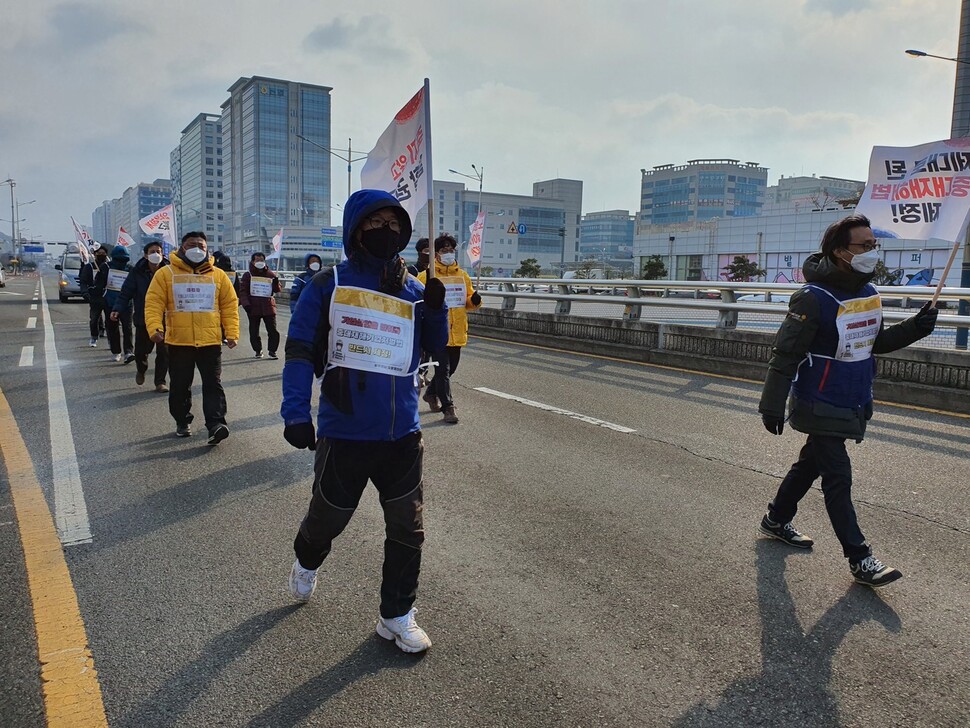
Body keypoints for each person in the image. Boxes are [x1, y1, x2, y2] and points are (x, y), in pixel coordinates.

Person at [280, 189, 449, 654]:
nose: (387, 231)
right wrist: (296, 412)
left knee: (408, 528)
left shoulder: (415, 289)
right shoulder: (328, 286)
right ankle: (306, 559)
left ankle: (395, 615)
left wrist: (436, 309)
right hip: (345, 434)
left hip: (402, 436)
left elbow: (439, 350)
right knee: (327, 521)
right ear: (357, 230)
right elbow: (299, 353)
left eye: (394, 224)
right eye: (375, 223)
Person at [758, 214, 938, 589]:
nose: (873, 251)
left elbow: (874, 343)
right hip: (818, 398)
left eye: (874, 244)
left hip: (853, 396)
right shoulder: (813, 297)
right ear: (840, 251)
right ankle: (860, 559)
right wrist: (771, 404)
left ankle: (776, 520)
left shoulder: (869, 293)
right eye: (865, 245)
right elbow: (786, 353)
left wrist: (916, 328)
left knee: (811, 463)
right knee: (837, 476)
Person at [144, 231, 239, 444]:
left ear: (207, 250)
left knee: (213, 384)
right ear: (182, 248)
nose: (197, 249)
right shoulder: (165, 274)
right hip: (179, 341)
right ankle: (182, 420)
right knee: (179, 385)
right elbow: (153, 303)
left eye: (201, 246)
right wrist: (155, 328)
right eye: (191, 245)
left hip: (210, 341)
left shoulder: (219, 275)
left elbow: (229, 306)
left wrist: (231, 333)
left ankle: (216, 424)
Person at [417, 234, 482, 424]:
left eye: (451, 250)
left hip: (457, 330)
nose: (448, 253)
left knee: (450, 369)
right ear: (436, 254)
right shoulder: (427, 276)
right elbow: (419, 303)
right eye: (444, 250)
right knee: (442, 371)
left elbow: (468, 302)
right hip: (437, 331)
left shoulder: (462, 276)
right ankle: (448, 407)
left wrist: (475, 301)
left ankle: (430, 394)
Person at [112, 241, 169, 392]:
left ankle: (160, 382)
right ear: (146, 255)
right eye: (152, 251)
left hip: (166, 319)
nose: (156, 254)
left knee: (164, 352)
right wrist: (117, 308)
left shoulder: (170, 271)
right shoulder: (137, 272)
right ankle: (141, 369)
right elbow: (126, 292)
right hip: (144, 318)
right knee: (141, 352)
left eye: (158, 251)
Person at [238, 252, 282, 359]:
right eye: (257, 260)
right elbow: (243, 291)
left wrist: (276, 282)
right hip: (253, 307)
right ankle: (258, 350)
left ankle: (272, 351)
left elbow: (277, 290)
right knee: (254, 331)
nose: (260, 262)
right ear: (252, 262)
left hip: (268, 306)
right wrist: (246, 304)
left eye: (262, 260)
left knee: (273, 330)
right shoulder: (248, 275)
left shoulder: (270, 274)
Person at [103, 245, 135, 364]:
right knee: (112, 328)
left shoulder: (130, 269)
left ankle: (128, 352)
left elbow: (134, 285)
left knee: (127, 328)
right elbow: (99, 283)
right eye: (118, 259)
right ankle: (116, 351)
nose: (121, 262)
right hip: (110, 302)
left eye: (123, 259)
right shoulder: (106, 267)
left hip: (127, 303)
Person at [79, 246, 108, 347]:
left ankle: (111, 340)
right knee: (94, 319)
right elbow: (83, 281)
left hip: (107, 297)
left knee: (110, 320)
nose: (101, 255)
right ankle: (94, 337)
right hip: (94, 297)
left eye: (103, 253)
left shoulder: (109, 267)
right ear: (94, 254)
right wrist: (85, 292)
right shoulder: (89, 267)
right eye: (99, 253)